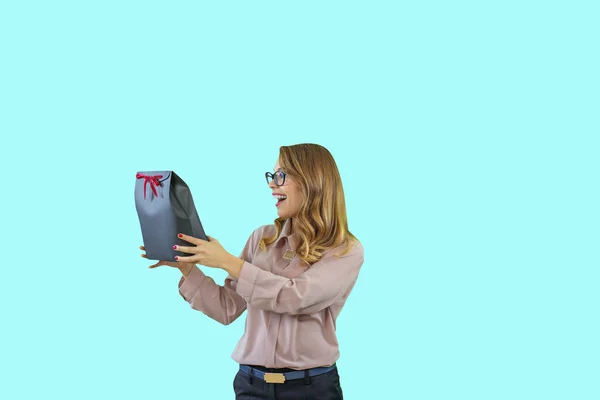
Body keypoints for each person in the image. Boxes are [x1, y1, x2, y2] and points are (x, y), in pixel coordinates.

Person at [140, 143, 364, 400]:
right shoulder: (261, 238)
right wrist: (188, 269)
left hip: (310, 388)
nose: (272, 184)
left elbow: (296, 298)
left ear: (312, 181)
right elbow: (227, 308)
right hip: (251, 386)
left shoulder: (344, 250)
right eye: (272, 175)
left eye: (282, 175)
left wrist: (227, 261)